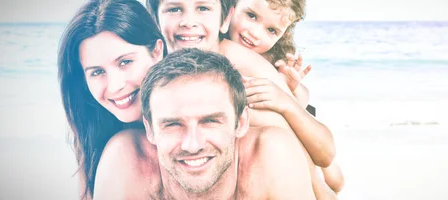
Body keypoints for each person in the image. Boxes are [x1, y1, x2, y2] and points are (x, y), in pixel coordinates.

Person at [145, 0, 343, 196]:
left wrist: (290, 100)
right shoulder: (161, 59)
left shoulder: (245, 64)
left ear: (225, 17)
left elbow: (326, 162)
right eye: (251, 16)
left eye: (203, 8)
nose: (188, 21)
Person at [94, 47, 315, 199]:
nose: (192, 145)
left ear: (241, 122)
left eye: (210, 121)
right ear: (150, 129)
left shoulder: (272, 154)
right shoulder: (126, 159)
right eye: (172, 124)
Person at [227, 0, 345, 193]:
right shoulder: (228, 51)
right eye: (251, 16)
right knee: (329, 181)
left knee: (334, 178)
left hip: (298, 131)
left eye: (271, 30)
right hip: (274, 143)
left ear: (284, 34)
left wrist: (292, 88)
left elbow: (304, 96)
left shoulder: (270, 59)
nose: (255, 34)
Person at [57, 0, 167, 199]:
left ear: (156, 51)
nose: (115, 85)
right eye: (97, 72)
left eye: (125, 62)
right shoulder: (93, 135)